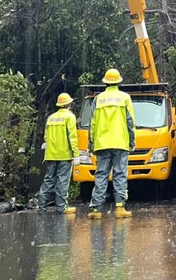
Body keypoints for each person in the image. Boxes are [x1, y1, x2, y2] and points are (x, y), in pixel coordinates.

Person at [88, 69, 135, 219]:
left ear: (105, 82)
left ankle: (96, 210)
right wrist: (132, 141)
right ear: (119, 82)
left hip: (102, 143)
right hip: (120, 141)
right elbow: (130, 122)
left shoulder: (98, 99)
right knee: (120, 174)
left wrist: (91, 143)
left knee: (101, 175)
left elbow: (93, 124)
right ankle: (120, 208)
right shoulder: (125, 98)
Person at [38, 92, 80, 215]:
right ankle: (61, 208)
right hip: (64, 154)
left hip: (50, 154)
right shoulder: (70, 117)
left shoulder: (51, 117)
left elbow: (46, 137)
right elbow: (72, 137)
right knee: (62, 181)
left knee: (49, 180)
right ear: (69, 104)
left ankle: (41, 207)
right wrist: (76, 154)